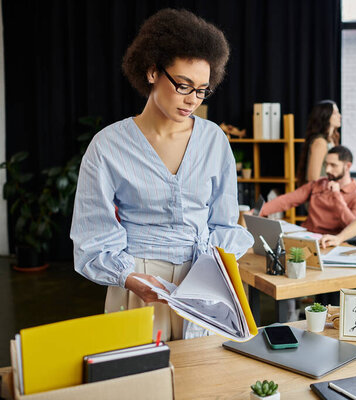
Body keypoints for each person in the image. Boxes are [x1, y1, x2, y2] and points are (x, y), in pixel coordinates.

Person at [70, 9, 253, 341]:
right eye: (183, 86)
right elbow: (91, 235)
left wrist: (218, 267)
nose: (192, 100)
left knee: (202, 384)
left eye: (202, 90)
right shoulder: (109, 146)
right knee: (141, 382)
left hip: (202, 280)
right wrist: (129, 277)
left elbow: (224, 223)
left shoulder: (214, 140)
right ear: (152, 70)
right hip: (138, 279)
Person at [259, 146, 356, 235]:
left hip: (329, 242)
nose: (328, 170)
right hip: (306, 236)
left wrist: (336, 195)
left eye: (333, 165)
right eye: (326, 164)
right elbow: (287, 200)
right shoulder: (318, 184)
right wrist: (260, 211)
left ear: (347, 166)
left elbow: (354, 227)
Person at [296, 100, 341, 186]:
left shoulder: (332, 140)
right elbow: (312, 178)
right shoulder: (320, 142)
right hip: (320, 192)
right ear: (325, 116)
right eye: (335, 113)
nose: (339, 116)